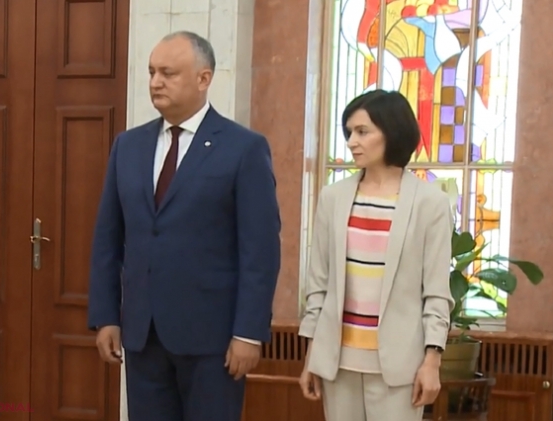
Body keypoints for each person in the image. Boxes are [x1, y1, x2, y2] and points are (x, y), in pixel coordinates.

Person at [87, 31, 281, 421]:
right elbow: (108, 238)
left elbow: (260, 251)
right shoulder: (129, 146)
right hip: (143, 335)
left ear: (203, 78)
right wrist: (106, 315)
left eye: (168, 73)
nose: (156, 82)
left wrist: (248, 332)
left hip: (213, 340)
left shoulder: (243, 148)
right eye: (151, 72)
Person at [298, 89, 455, 421]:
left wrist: (432, 360)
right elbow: (319, 287)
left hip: (400, 367)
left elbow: (437, 293)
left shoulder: (430, 204)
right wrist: (313, 356)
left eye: (362, 131)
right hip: (337, 364)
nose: (352, 142)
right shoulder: (332, 198)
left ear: (392, 132)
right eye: (349, 132)